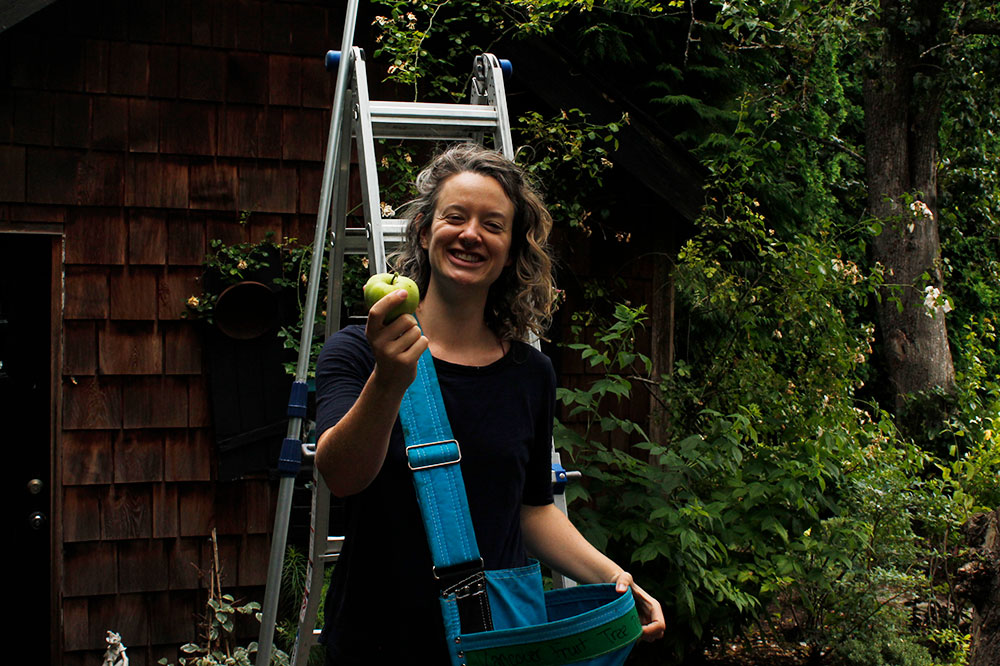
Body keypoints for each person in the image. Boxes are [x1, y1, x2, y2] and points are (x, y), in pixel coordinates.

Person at [314, 143, 664, 664]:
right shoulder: (358, 351)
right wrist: (389, 379)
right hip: (377, 637)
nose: (471, 234)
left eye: (493, 224)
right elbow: (341, 476)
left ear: (510, 250)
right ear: (425, 231)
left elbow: (532, 512)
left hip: (494, 640)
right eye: (455, 217)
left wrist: (614, 579)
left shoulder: (530, 374)